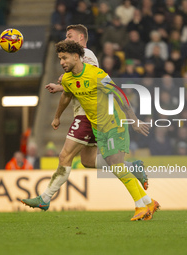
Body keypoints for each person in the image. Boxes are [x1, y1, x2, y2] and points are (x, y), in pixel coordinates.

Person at [22, 41, 159, 221]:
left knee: (117, 166)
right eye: (59, 59)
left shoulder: (96, 74)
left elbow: (118, 94)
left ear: (77, 57)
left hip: (114, 123)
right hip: (98, 127)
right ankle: (148, 202)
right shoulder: (68, 79)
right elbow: (67, 95)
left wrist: (133, 120)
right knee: (107, 164)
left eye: (64, 58)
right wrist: (57, 117)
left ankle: (140, 206)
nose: (62, 62)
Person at [45, 24, 148, 187]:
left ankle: (46, 196)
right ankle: (132, 168)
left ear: (81, 38)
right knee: (88, 161)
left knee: (65, 155)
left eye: (69, 36)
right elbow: (79, 83)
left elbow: (90, 79)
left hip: (87, 113)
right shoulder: (76, 61)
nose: (66, 39)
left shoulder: (86, 54)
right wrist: (61, 86)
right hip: (88, 113)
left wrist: (65, 79)